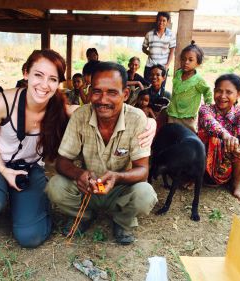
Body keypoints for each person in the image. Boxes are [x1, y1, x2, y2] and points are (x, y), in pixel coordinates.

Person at [0, 51, 156, 248]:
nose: (44, 84)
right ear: (26, 73)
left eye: (52, 78)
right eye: (38, 75)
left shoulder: (60, 108)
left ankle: (121, 222)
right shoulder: (1, 102)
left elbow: (95, 111)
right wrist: (5, 171)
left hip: (27, 169)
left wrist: (151, 123)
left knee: (30, 237)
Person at [45, 62, 158, 245]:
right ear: (89, 93)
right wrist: (79, 174)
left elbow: (142, 170)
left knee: (145, 194)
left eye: (112, 92)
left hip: (118, 190)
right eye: (97, 91)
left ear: (126, 94)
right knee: (55, 186)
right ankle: (83, 215)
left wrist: (117, 177)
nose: (103, 99)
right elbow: (62, 162)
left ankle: (122, 221)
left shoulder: (137, 119)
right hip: (86, 188)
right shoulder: (80, 116)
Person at [198, 74, 240, 203]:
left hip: (228, 165)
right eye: (219, 91)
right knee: (208, 137)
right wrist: (225, 136)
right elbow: (211, 124)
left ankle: (235, 185)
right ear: (214, 92)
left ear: (239, 94)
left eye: (229, 92)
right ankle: (195, 178)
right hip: (205, 167)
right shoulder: (205, 109)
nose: (222, 96)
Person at [167, 41, 212, 132]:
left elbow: (207, 91)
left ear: (198, 63)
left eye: (190, 60)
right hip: (173, 113)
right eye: (183, 59)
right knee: (171, 134)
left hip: (188, 117)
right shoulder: (178, 74)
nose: (186, 62)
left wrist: (208, 107)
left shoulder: (198, 80)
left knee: (188, 137)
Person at [142, 12, 176, 84]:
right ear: (156, 21)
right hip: (150, 66)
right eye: (159, 20)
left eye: (164, 20)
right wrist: (150, 53)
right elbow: (143, 48)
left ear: (167, 22)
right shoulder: (149, 34)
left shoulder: (171, 35)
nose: (161, 22)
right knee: (147, 89)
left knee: (160, 91)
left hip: (163, 67)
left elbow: (172, 51)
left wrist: (167, 65)